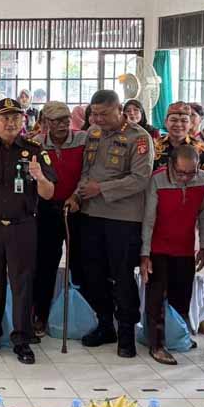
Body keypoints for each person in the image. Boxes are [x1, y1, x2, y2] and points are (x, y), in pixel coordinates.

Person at [0, 99, 56, 364]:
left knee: (22, 284)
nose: (10, 123)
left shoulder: (35, 151)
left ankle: (22, 339)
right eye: (4, 118)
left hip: (22, 226)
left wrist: (40, 177)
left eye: (16, 117)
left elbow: (48, 193)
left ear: (23, 121)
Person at [70, 90, 154, 358]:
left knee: (122, 275)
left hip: (123, 218)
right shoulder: (93, 134)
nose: (97, 119)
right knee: (92, 272)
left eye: (104, 114)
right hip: (91, 214)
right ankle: (105, 324)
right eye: (94, 114)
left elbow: (141, 178)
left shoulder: (139, 137)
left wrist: (102, 189)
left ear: (120, 110)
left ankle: (127, 332)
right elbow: (86, 172)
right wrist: (77, 194)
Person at [140, 144, 204, 364]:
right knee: (156, 299)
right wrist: (145, 254)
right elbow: (148, 219)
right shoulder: (157, 180)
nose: (185, 178)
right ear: (171, 165)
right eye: (181, 173)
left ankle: (175, 336)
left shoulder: (203, 180)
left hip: (185, 249)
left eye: (191, 173)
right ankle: (157, 345)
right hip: (158, 248)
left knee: (181, 297)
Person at [31, 101, 87, 338]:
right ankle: (40, 316)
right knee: (45, 265)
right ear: (46, 123)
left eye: (65, 119)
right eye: (56, 121)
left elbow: (89, 172)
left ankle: (85, 316)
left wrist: (77, 196)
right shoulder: (37, 144)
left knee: (81, 264)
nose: (63, 125)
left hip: (78, 207)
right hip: (47, 210)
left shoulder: (83, 139)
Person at [152, 102, 204, 178]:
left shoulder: (202, 149)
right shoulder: (154, 147)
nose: (178, 124)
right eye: (173, 120)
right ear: (166, 122)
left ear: (190, 124)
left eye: (184, 121)